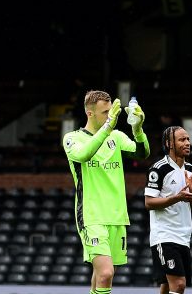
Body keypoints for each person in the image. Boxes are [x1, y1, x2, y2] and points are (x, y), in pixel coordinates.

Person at [63, 90, 150, 294]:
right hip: (91, 215)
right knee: (105, 274)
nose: (110, 116)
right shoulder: (72, 138)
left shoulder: (117, 137)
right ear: (90, 113)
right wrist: (108, 127)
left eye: (112, 112)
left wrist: (138, 130)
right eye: (105, 113)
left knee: (101, 275)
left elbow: (142, 153)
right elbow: (84, 155)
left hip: (117, 215)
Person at [145, 126, 192, 294]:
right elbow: (149, 202)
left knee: (168, 286)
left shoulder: (191, 170)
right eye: (182, 140)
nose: (187, 143)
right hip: (164, 235)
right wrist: (176, 197)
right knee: (179, 285)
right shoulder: (158, 168)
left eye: (188, 139)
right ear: (169, 143)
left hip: (184, 236)